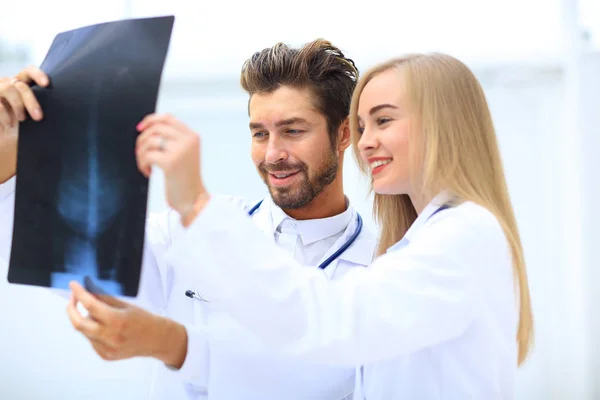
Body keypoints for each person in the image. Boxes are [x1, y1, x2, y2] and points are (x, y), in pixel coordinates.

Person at [75, 52, 535, 399]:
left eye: (383, 121)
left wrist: (196, 203)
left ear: (444, 127)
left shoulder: (463, 235)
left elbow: (328, 322)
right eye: (362, 124)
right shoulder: (415, 246)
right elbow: (76, 248)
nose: (365, 141)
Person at [0, 39, 377, 399]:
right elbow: (50, 248)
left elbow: (306, 378)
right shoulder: (190, 230)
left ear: (344, 133)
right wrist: (8, 152)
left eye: (293, 131)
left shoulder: (380, 268)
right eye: (260, 134)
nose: (273, 153)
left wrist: (172, 342)